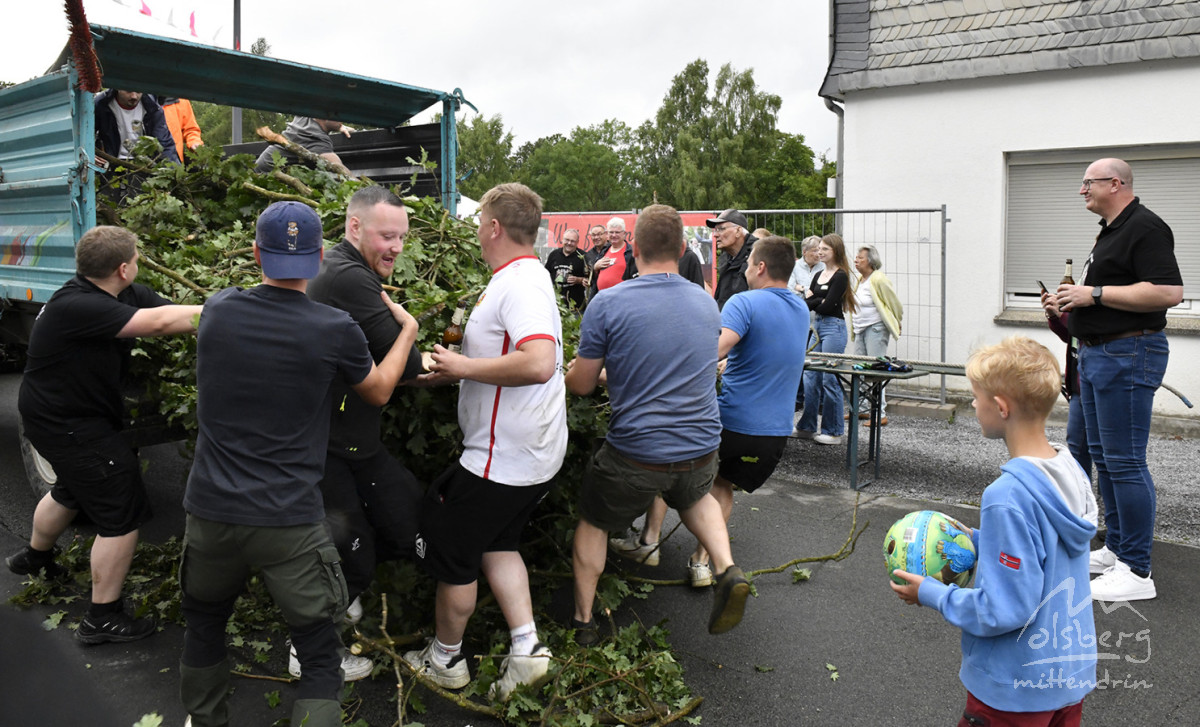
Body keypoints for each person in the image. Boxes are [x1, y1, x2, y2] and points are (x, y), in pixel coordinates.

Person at [178, 201, 418, 727]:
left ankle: (204, 719)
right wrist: (407, 331)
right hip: (288, 519)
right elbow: (378, 391)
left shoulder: (219, 310)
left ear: (258, 253)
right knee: (315, 648)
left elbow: (188, 320)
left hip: (212, 513)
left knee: (205, 623)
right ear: (317, 260)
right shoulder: (334, 329)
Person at [404, 183, 566, 702]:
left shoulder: (519, 285)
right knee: (500, 541)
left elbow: (539, 362)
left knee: (451, 548)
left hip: (501, 460)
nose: (476, 231)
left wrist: (465, 367)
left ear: (495, 227)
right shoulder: (521, 277)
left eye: (480, 223)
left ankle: (445, 657)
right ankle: (526, 650)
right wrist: (454, 373)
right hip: (530, 456)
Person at [6, 226, 202, 644]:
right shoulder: (78, 305)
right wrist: (240, 309)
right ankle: (102, 618)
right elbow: (162, 323)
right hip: (68, 422)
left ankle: (35, 558)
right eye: (136, 257)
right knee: (119, 511)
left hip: (60, 415)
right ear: (124, 267)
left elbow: (169, 309)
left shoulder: (118, 292)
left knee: (74, 490)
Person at [566, 204, 750, 645]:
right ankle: (725, 569)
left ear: (634, 248)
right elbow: (680, 366)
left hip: (636, 452)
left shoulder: (609, 302)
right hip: (701, 447)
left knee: (592, 520)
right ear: (684, 248)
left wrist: (572, 368)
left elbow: (583, 386)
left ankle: (584, 622)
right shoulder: (706, 304)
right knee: (696, 493)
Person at [891, 336, 1098, 727]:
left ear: (1000, 407)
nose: (972, 404)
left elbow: (1004, 609)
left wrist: (932, 593)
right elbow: (1044, 555)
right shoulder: (1070, 472)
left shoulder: (1006, 496)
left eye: (975, 396)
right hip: (1065, 676)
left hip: (1015, 687)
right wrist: (978, 538)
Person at [613, 237, 808, 588]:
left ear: (760, 267)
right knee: (722, 486)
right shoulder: (799, 307)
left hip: (732, 420)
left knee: (666, 461)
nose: (746, 270)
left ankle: (649, 541)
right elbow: (765, 351)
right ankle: (702, 564)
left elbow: (708, 350)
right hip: (774, 433)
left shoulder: (744, 302)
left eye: (750, 264)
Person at [303, 186, 426, 680]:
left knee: (404, 510)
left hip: (355, 440)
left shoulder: (346, 270)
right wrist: (411, 333)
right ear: (355, 228)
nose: (396, 247)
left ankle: (348, 608)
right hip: (328, 446)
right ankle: (311, 650)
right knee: (349, 549)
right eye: (386, 236)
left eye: (402, 237)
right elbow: (410, 365)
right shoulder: (347, 278)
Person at [1055, 158, 1182, 602]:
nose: (1081, 190)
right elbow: (1104, 297)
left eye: (1087, 183)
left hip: (1127, 354)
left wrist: (1094, 293)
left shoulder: (1145, 227)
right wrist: (1071, 304)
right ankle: (1117, 550)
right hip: (1097, 354)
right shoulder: (1111, 230)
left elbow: (1169, 293)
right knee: (1105, 460)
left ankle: (1137, 570)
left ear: (1115, 183)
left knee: (1125, 462)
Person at [794, 234, 856, 445]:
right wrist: (818, 299)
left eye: (824, 249)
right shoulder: (819, 273)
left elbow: (826, 306)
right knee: (810, 377)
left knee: (830, 379)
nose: (820, 252)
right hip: (816, 326)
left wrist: (816, 299)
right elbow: (808, 302)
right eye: (819, 249)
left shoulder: (841, 276)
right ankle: (807, 426)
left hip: (833, 328)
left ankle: (833, 430)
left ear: (835, 251)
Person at [849, 245, 903, 426]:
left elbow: (894, 304)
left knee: (876, 369)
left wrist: (897, 321)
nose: (856, 260)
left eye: (860, 258)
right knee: (861, 368)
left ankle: (880, 413)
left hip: (876, 328)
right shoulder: (859, 279)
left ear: (870, 261)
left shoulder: (878, 279)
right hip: (860, 328)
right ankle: (864, 409)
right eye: (856, 257)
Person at [1039, 293, 1092, 478]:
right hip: (1078, 385)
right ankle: (1081, 497)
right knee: (1076, 447)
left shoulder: (1101, 293)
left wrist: (1062, 316)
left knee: (1107, 452)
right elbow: (1072, 337)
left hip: (1097, 383)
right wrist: (1055, 316)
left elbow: (1090, 330)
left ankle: (1111, 503)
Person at [94, 89, 180, 164]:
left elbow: (164, 144)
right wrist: (91, 155)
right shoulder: (101, 104)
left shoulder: (152, 107)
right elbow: (84, 135)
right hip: (110, 162)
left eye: (138, 91)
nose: (134, 96)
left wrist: (171, 172)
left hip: (144, 164)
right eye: (128, 91)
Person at [789, 236, 825, 412]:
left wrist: (801, 288)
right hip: (799, 321)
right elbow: (789, 290)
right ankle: (798, 398)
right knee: (799, 361)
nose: (819, 253)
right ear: (804, 252)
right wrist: (806, 291)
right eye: (815, 250)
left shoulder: (825, 268)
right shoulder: (794, 267)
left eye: (820, 250)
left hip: (818, 321)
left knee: (818, 362)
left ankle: (817, 401)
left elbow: (822, 295)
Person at [254, 117, 352, 173]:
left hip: (258, 169)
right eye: (337, 114)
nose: (341, 117)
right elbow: (339, 168)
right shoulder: (317, 140)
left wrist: (339, 126)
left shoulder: (304, 117)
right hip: (266, 177)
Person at [708, 209, 757, 310]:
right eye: (715, 230)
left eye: (721, 229)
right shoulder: (726, 257)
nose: (715, 235)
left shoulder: (758, 254)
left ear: (738, 231)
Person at [588, 217, 636, 298]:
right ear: (607, 234)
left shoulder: (631, 252)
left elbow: (636, 279)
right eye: (611, 232)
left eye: (617, 232)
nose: (614, 235)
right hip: (602, 299)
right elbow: (592, 279)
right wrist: (595, 268)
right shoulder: (603, 251)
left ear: (624, 234)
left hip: (623, 299)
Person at [545, 228, 589, 309]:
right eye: (567, 240)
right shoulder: (554, 255)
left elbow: (590, 280)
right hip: (555, 305)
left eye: (573, 241)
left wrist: (579, 280)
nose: (569, 243)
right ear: (562, 239)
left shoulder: (584, 257)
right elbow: (545, 275)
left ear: (577, 242)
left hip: (576, 307)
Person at [159, 97, 203, 163]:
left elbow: (190, 129)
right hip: (146, 162)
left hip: (175, 162)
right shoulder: (142, 98)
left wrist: (194, 142)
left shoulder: (181, 100)